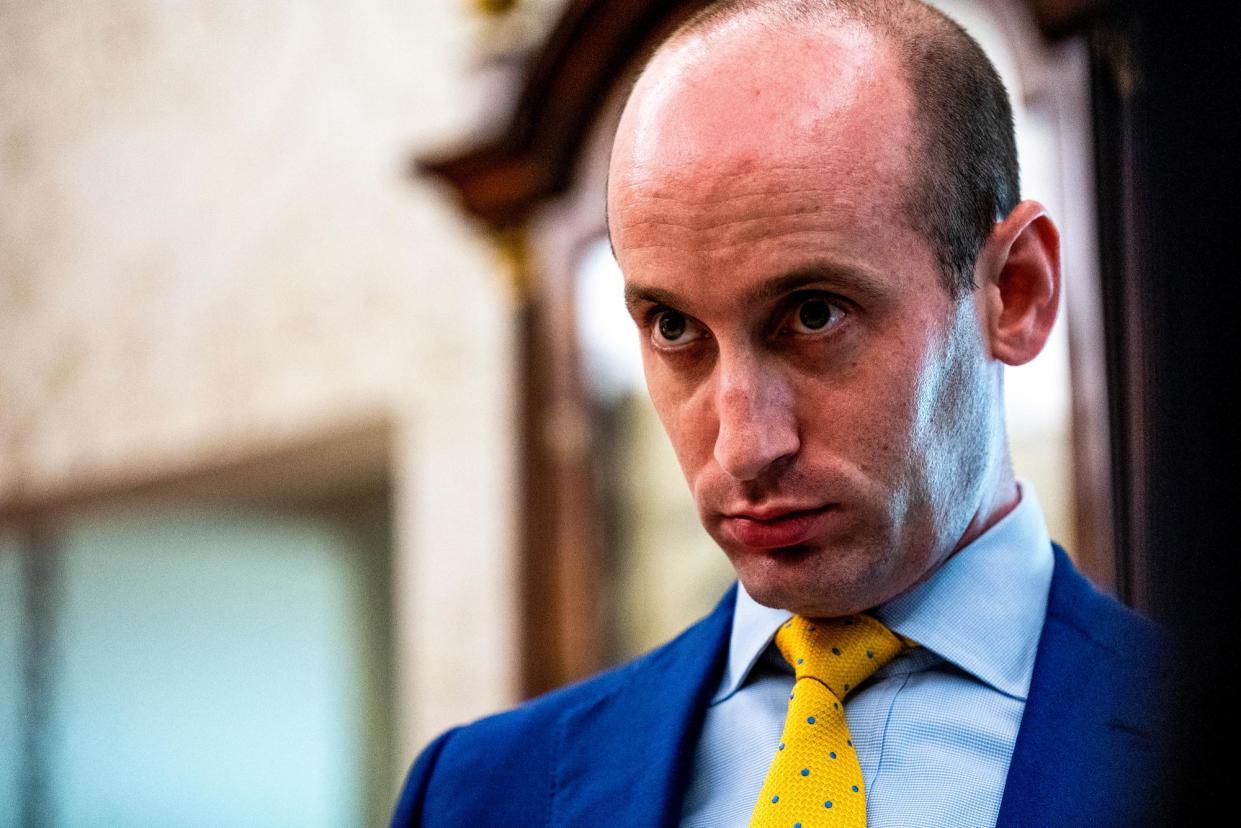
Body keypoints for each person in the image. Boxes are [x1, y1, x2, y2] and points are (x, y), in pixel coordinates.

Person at [392, 1, 1165, 825]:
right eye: (674, 328)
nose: (743, 447)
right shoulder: (479, 792)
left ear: (1014, 293)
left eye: (813, 315)